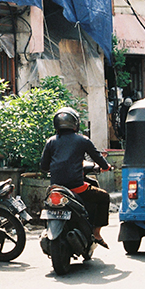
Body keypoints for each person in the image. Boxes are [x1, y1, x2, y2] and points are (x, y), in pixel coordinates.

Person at [40, 106, 112, 248]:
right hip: (77, 188)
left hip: (56, 188)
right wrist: (106, 167)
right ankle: (96, 233)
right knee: (104, 197)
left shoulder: (51, 141)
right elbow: (99, 159)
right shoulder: (83, 140)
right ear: (76, 124)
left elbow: (43, 166)